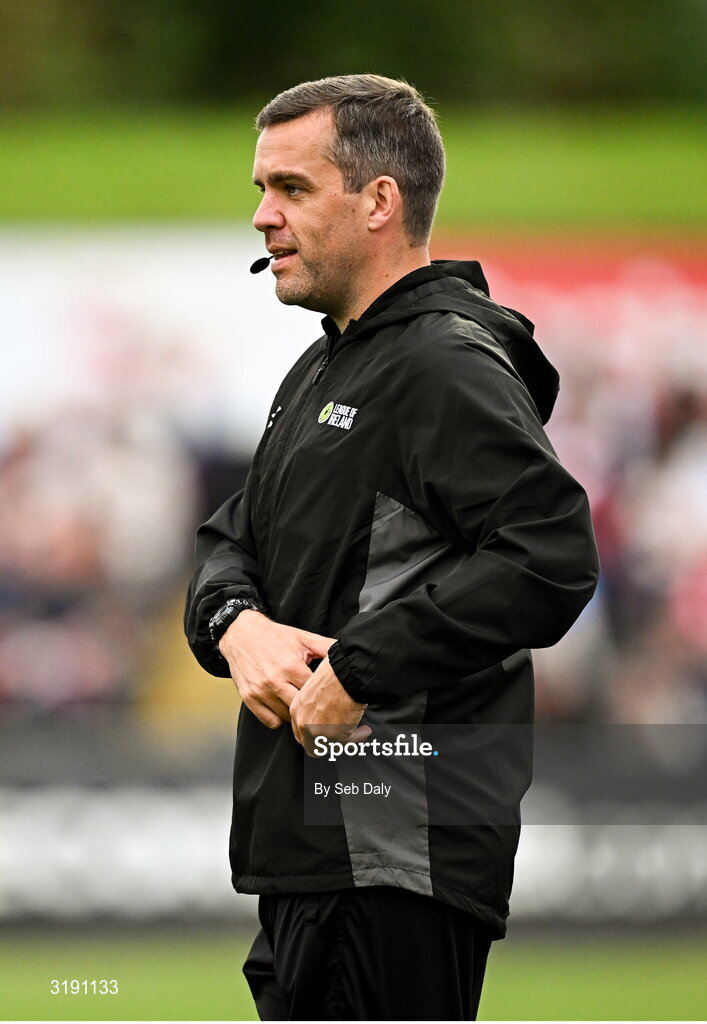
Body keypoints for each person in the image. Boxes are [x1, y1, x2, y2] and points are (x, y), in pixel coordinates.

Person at [184, 74, 599, 1021]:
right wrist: (236, 625)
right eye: (261, 189)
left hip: (395, 843)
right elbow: (226, 539)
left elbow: (549, 555)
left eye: (290, 188)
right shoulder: (329, 361)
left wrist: (362, 668)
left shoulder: (441, 363)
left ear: (379, 201)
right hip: (311, 847)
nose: (261, 217)